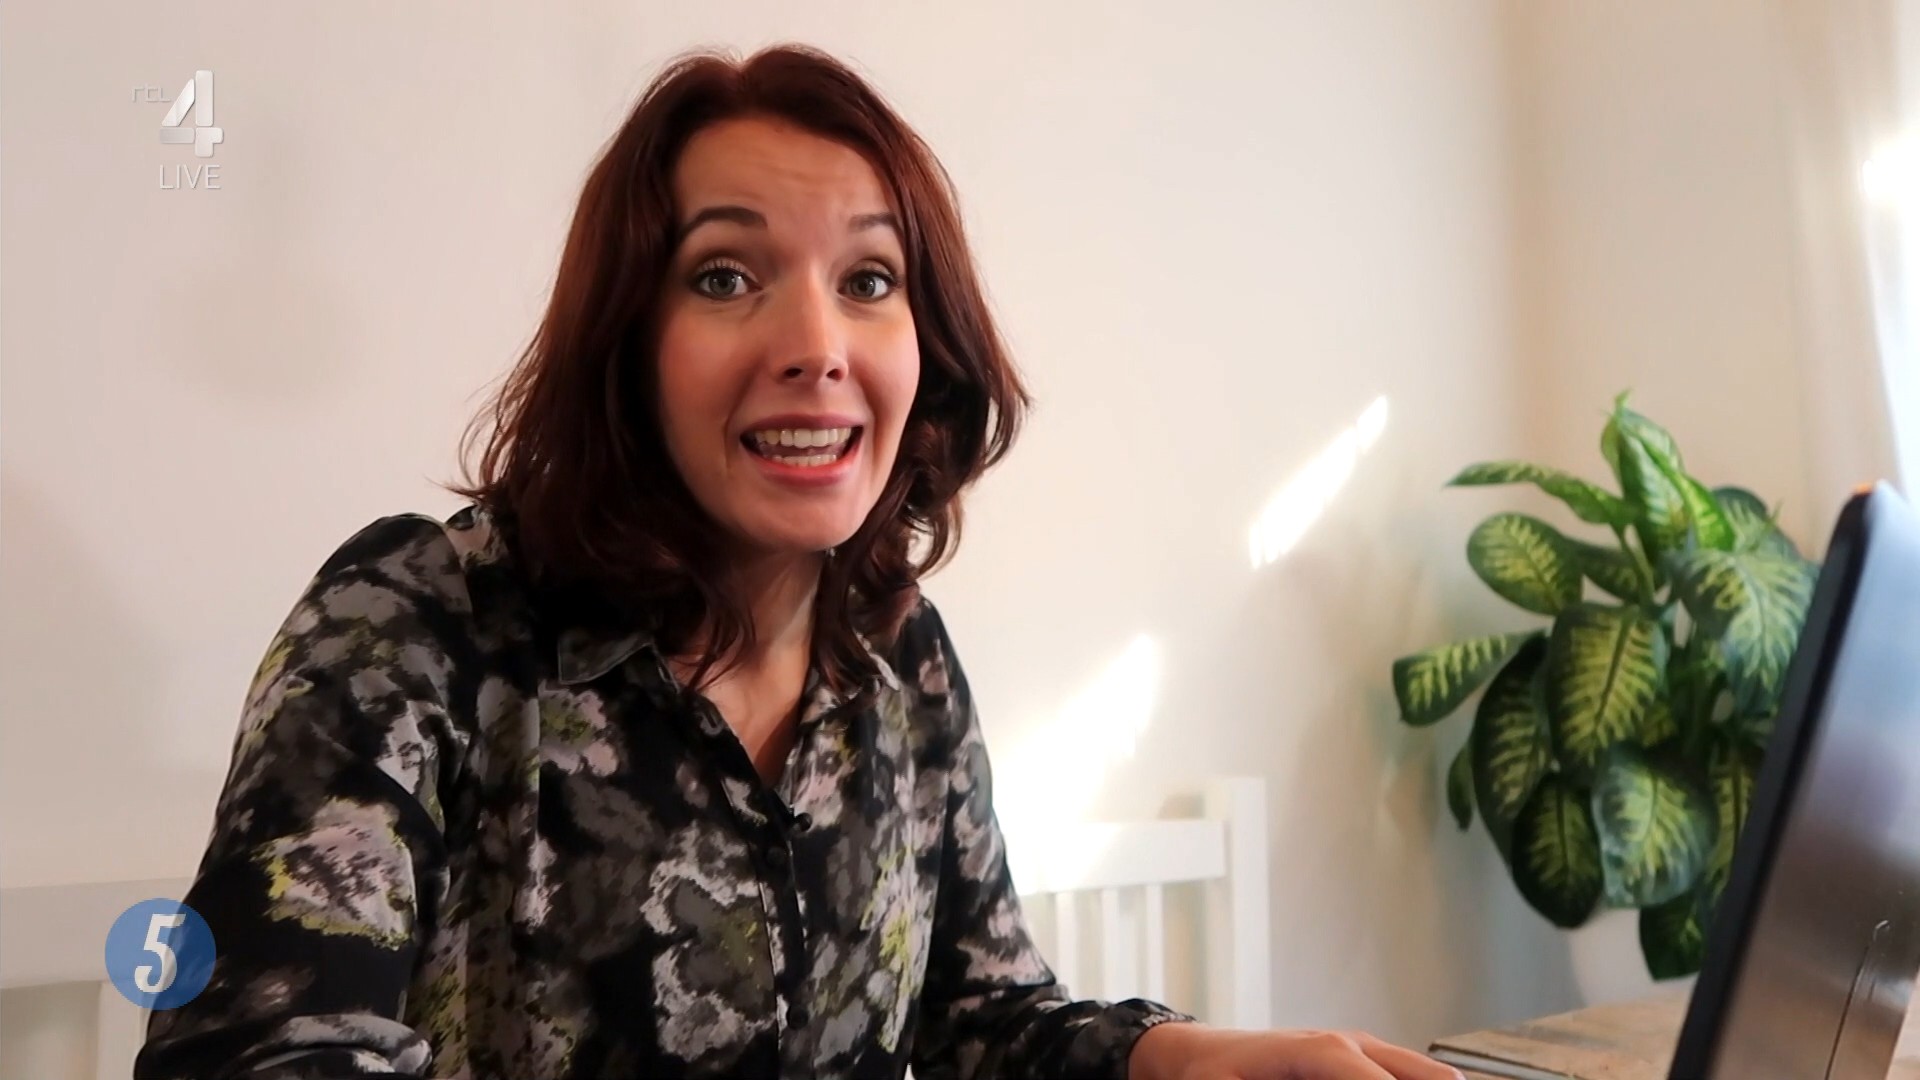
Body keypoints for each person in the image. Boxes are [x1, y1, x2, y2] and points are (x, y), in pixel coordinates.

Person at [135, 43, 1463, 1080]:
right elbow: (255, 1051)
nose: (818, 346)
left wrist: (1194, 1057)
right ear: (627, 342)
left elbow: (981, 1016)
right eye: (726, 277)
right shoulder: (416, 627)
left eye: (870, 280)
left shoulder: (901, 654)